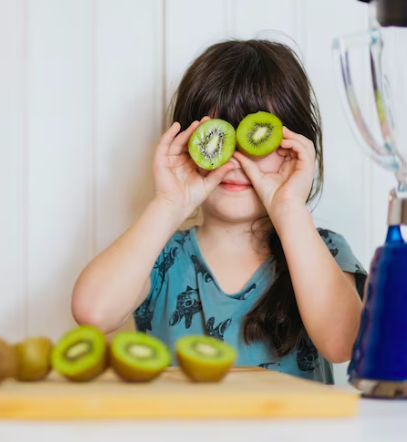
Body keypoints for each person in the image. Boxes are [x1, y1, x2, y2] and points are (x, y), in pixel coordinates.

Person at [70, 40, 368, 384]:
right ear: (190, 145)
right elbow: (92, 312)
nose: (235, 160)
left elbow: (344, 342)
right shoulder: (158, 258)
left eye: (256, 139)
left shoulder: (324, 251)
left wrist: (289, 207)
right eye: (220, 136)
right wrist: (169, 203)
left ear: (295, 148)